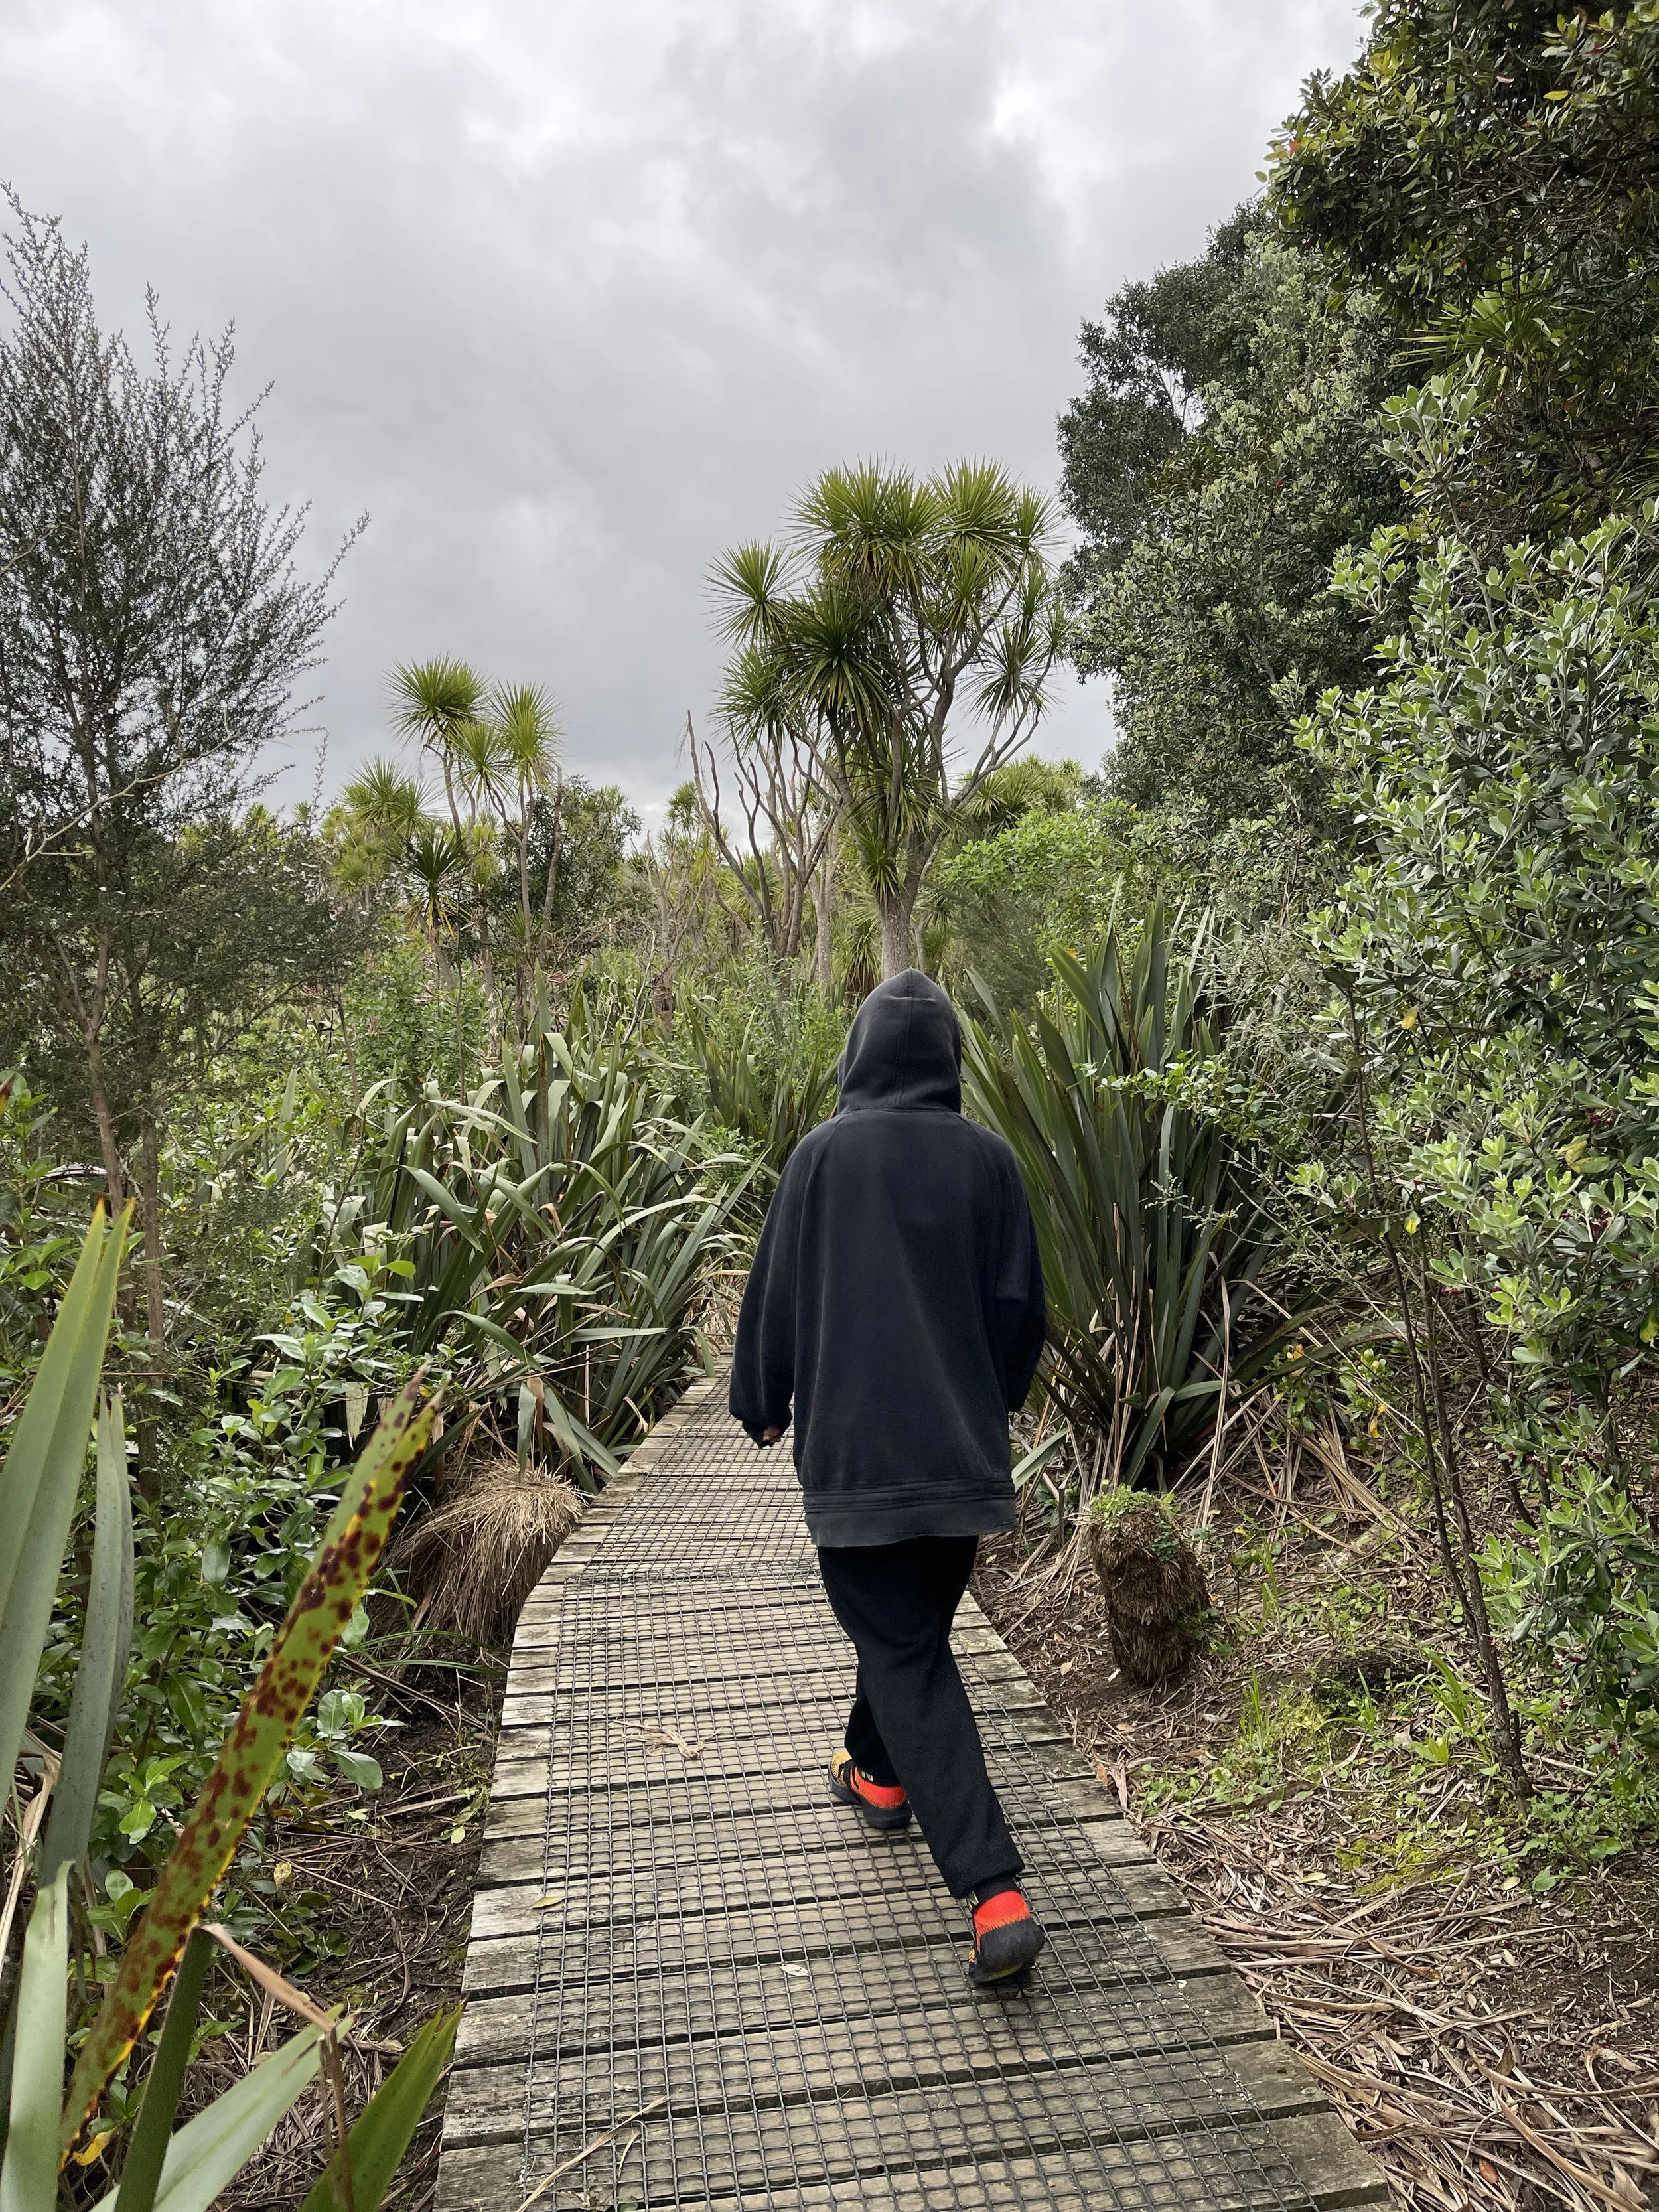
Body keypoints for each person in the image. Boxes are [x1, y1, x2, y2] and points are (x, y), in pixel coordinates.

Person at [729, 968, 1048, 1986]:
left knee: (905, 1648)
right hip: (960, 1460)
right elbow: (1018, 1313)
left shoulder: (819, 1160)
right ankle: (875, 1778)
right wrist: (992, 1401)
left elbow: (774, 1293)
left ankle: (994, 1891)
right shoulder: (990, 1164)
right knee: (907, 1634)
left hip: (858, 1464)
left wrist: (762, 1400)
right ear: (953, 1057)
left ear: (857, 1052)